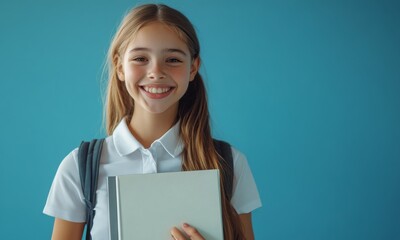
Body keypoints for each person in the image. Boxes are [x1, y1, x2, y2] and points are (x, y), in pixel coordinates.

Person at [43, 3, 261, 240]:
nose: (156, 72)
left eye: (173, 60)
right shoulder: (79, 166)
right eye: (140, 58)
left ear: (193, 68)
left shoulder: (230, 163)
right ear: (119, 66)